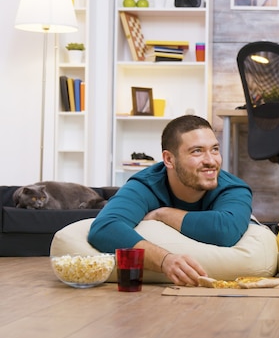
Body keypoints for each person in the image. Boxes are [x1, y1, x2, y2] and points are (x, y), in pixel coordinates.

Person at [88, 115, 253, 286]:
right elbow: (104, 228)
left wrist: (163, 214)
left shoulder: (233, 188)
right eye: (197, 151)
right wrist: (164, 260)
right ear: (169, 159)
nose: (211, 161)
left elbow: (224, 231)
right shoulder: (146, 184)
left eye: (215, 149)